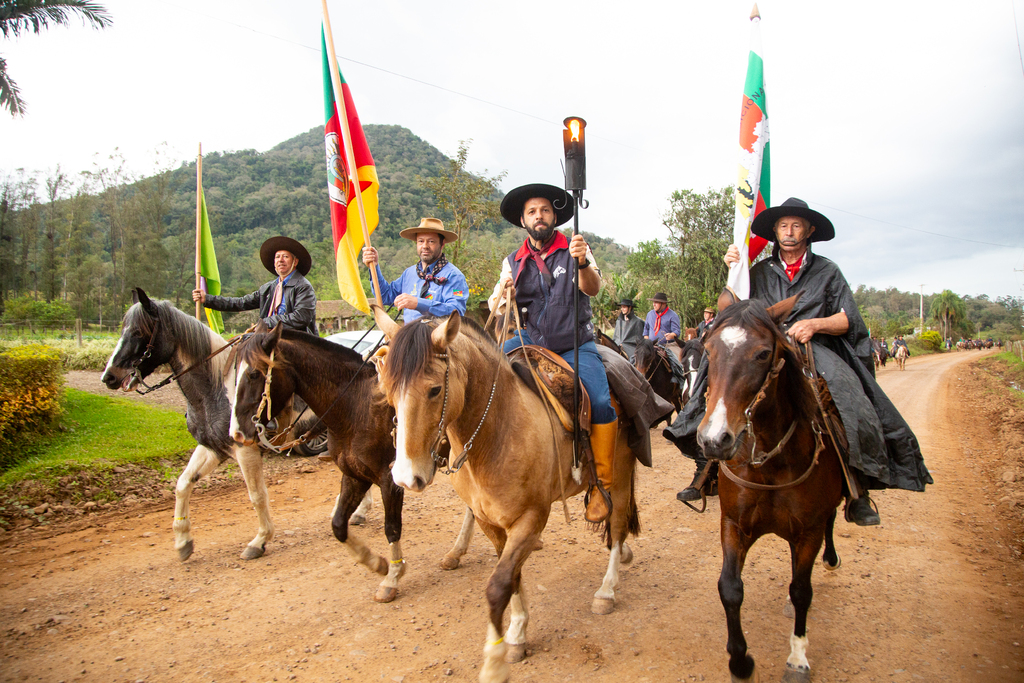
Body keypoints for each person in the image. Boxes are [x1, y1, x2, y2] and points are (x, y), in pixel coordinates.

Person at [668, 197, 932, 525]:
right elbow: (732, 307)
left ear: (809, 231)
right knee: (719, 378)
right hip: (766, 350)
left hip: (814, 348)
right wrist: (733, 270)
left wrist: (815, 324)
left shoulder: (828, 272)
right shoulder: (760, 271)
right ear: (775, 232)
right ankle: (704, 468)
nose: (788, 231)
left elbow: (849, 319)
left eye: (795, 225)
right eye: (782, 226)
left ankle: (856, 487)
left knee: (848, 396)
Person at [487, 183, 616, 523]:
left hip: (574, 343)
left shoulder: (575, 247)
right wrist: (504, 291)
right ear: (523, 219)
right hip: (529, 340)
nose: (539, 216)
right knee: (484, 372)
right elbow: (496, 307)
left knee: (600, 402)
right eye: (532, 211)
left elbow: (594, 288)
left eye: (544, 210)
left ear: (554, 216)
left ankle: (600, 484)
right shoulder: (512, 261)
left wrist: (583, 261)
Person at [193, 235, 317, 335]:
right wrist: (207, 299)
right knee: (238, 347)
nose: (280, 260)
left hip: (297, 338)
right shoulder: (269, 288)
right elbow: (241, 303)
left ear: (295, 262)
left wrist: (266, 322)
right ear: (274, 262)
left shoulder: (303, 286)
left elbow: (301, 317)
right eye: (277, 257)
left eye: (285, 257)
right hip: (269, 335)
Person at [361, 217, 468, 323]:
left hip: (438, 339)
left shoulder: (454, 276)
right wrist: (374, 267)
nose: (425, 246)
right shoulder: (409, 273)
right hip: (410, 338)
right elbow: (385, 296)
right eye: (421, 241)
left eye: (431, 241)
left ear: (442, 244)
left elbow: (456, 311)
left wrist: (418, 303)